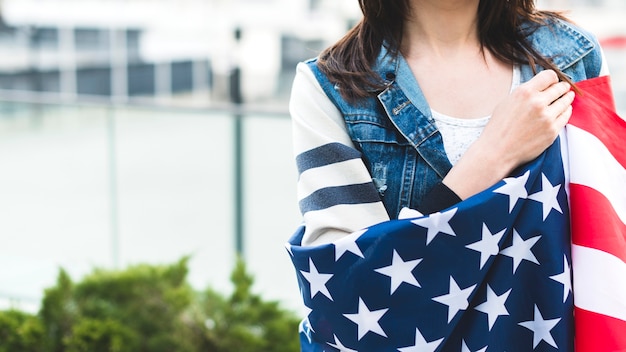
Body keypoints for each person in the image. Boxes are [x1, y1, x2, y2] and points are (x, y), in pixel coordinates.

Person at [289, 0, 608, 247]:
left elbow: (604, 238)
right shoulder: (332, 86)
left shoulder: (575, 57)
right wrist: (494, 155)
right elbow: (348, 282)